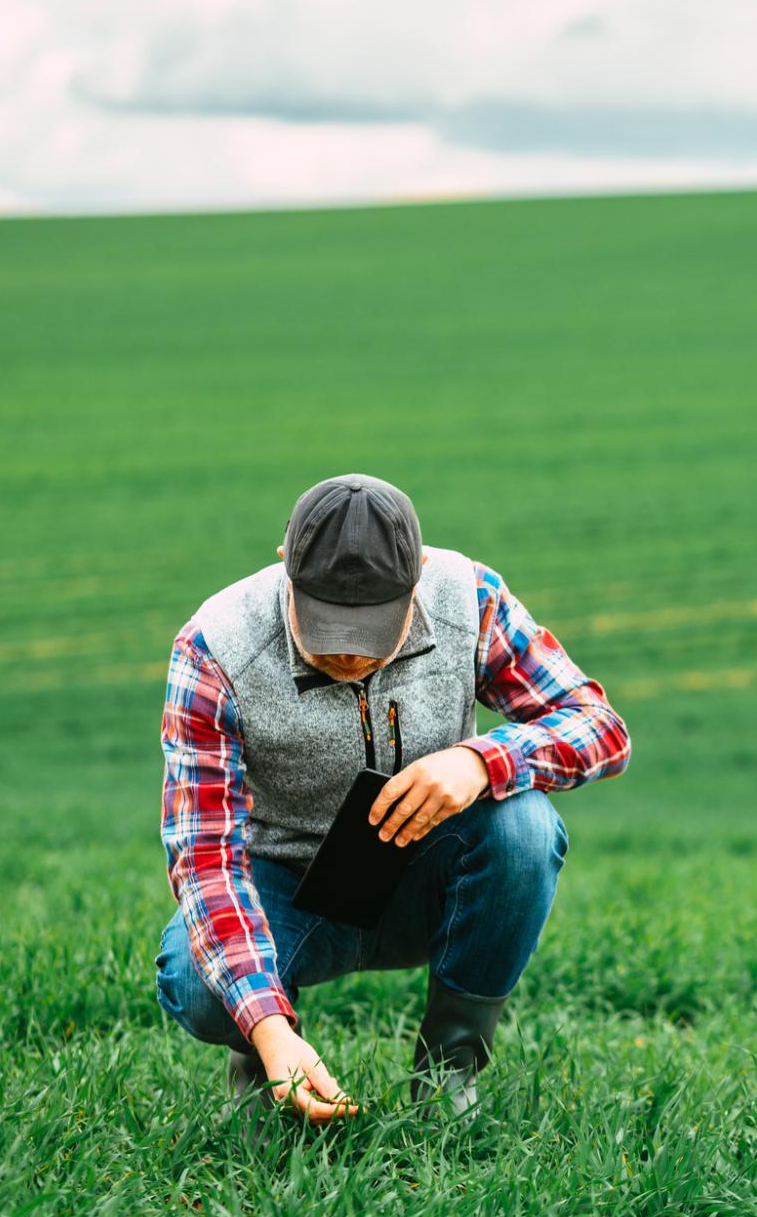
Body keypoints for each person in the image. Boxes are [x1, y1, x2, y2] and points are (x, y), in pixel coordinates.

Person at [153, 473, 630, 1123]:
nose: (349, 652)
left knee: (524, 826)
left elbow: (600, 727)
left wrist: (481, 761)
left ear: (419, 575)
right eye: (324, 621)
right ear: (284, 567)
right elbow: (205, 855)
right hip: (286, 891)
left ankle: (447, 1077)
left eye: (372, 624)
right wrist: (268, 1028)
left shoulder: (471, 597)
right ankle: (270, 1061)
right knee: (193, 979)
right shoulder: (215, 649)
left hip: (421, 878)